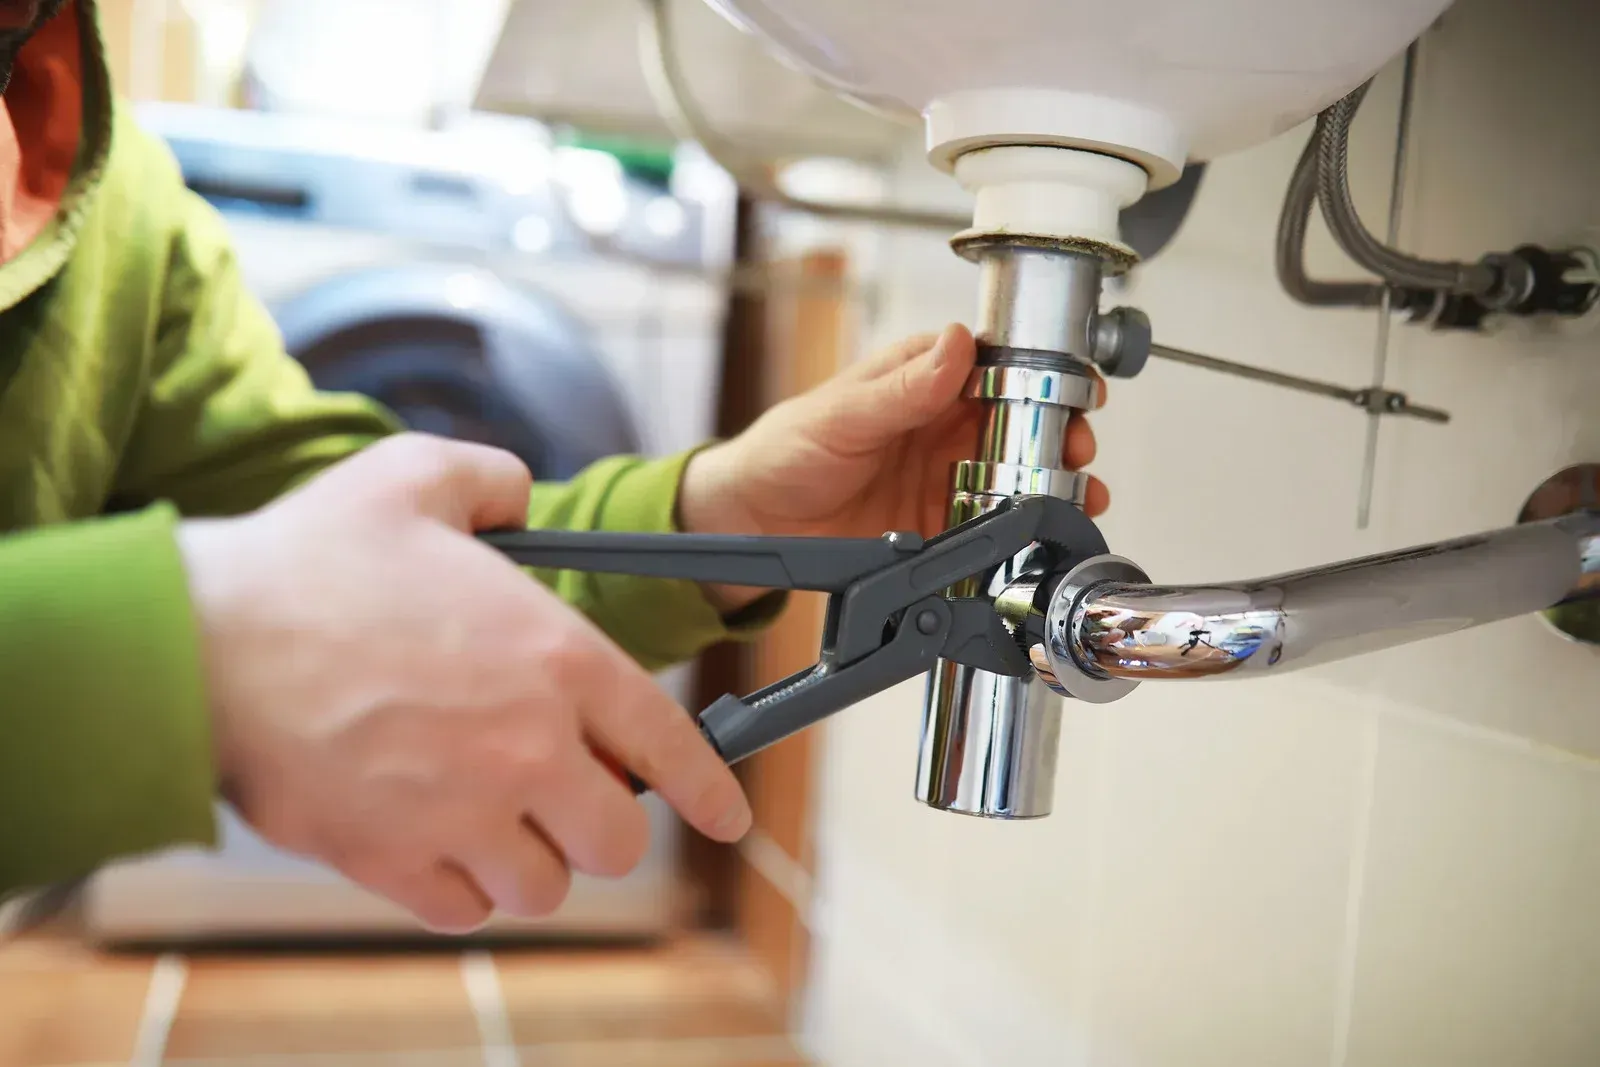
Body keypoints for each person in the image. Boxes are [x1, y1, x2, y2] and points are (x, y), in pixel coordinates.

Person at [0, 0, 1108, 933]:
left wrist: (710, 518)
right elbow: (297, 613)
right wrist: (192, 657)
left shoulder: (102, 169)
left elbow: (364, 570)